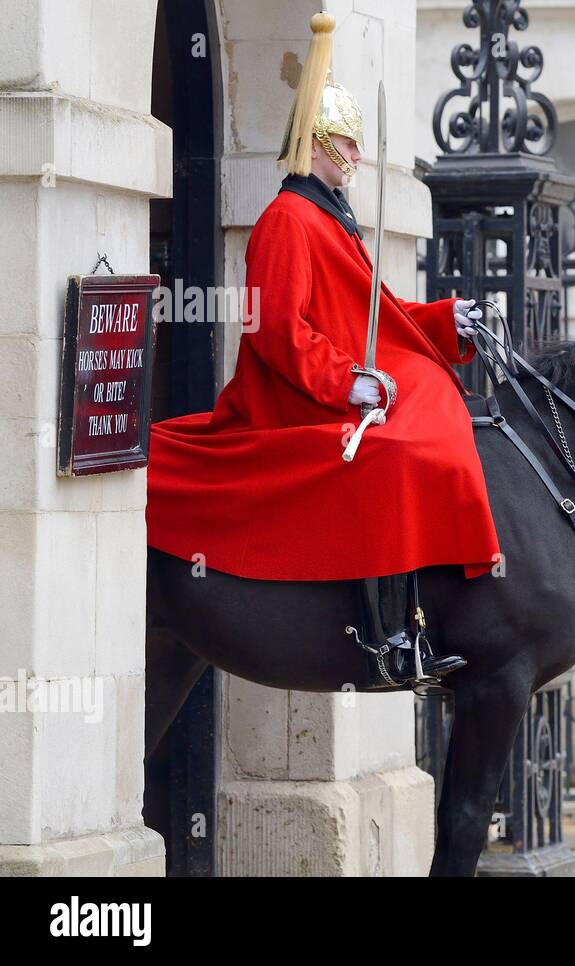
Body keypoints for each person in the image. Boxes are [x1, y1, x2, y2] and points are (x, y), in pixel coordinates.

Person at [146, 13, 499, 688]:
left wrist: (447, 318)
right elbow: (277, 331)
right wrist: (348, 385)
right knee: (393, 454)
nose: (359, 156)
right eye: (348, 143)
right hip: (293, 401)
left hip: (333, 385)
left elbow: (374, 314)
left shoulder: (332, 216)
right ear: (315, 142)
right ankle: (388, 636)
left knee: (430, 415)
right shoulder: (286, 221)